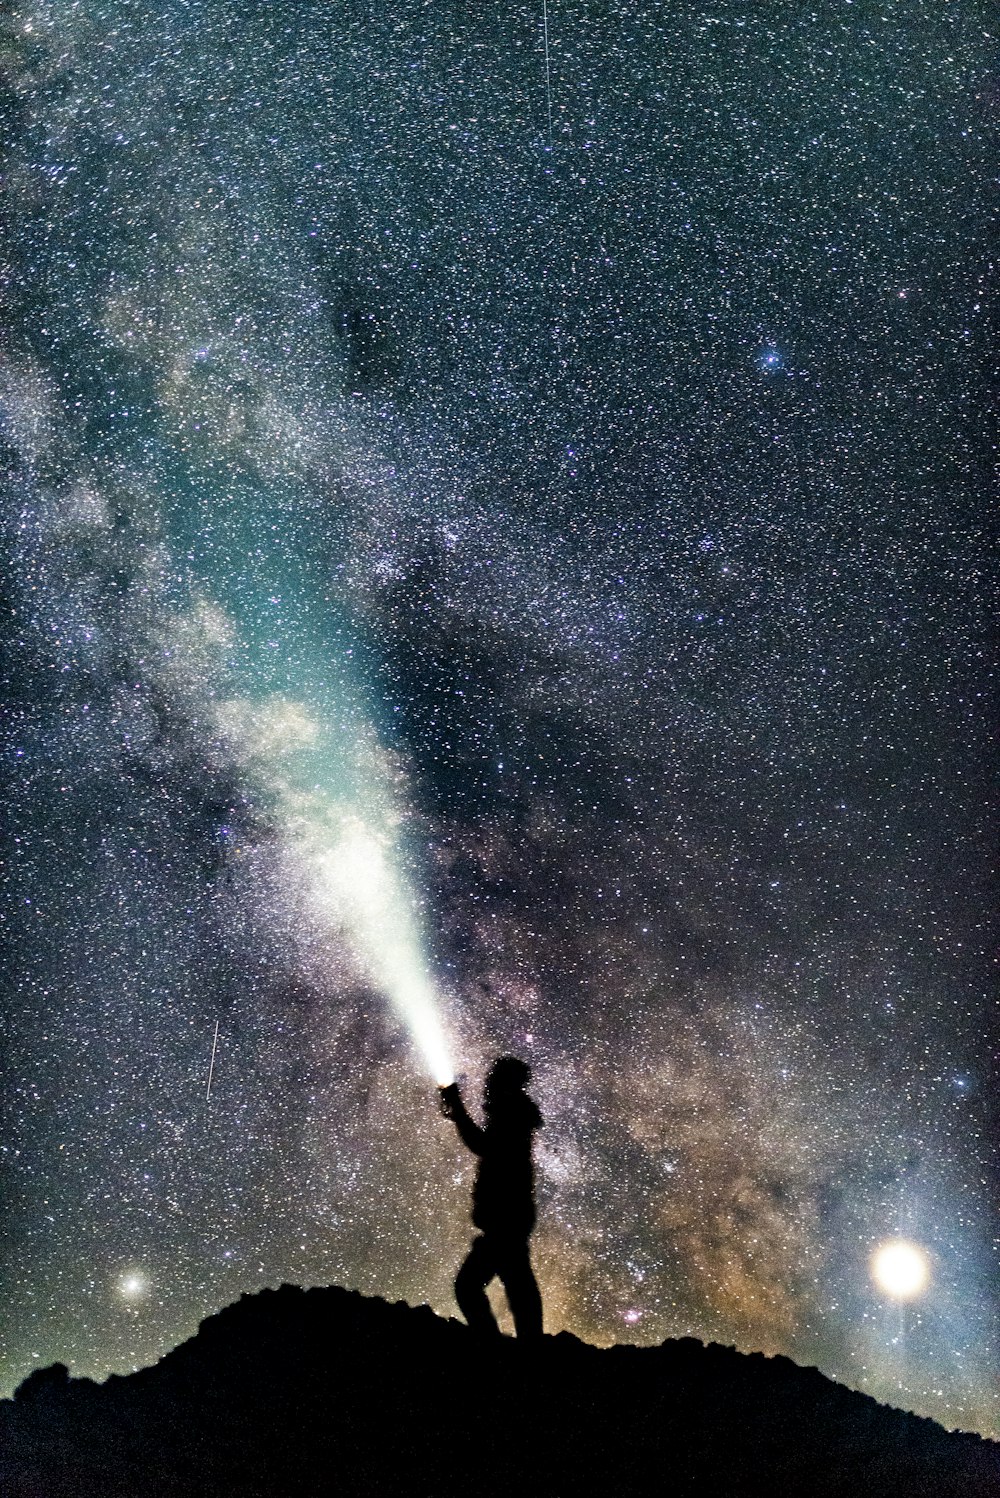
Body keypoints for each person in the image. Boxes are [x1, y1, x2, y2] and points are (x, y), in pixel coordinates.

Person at [439, 1056, 544, 1339]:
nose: (487, 1084)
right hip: (512, 1216)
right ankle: (530, 1355)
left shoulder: (511, 1110)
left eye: (493, 1078)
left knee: (471, 1285)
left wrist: (458, 1109)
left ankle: (499, 1352)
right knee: (518, 1285)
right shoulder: (516, 1110)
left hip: (505, 1218)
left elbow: (483, 1145)